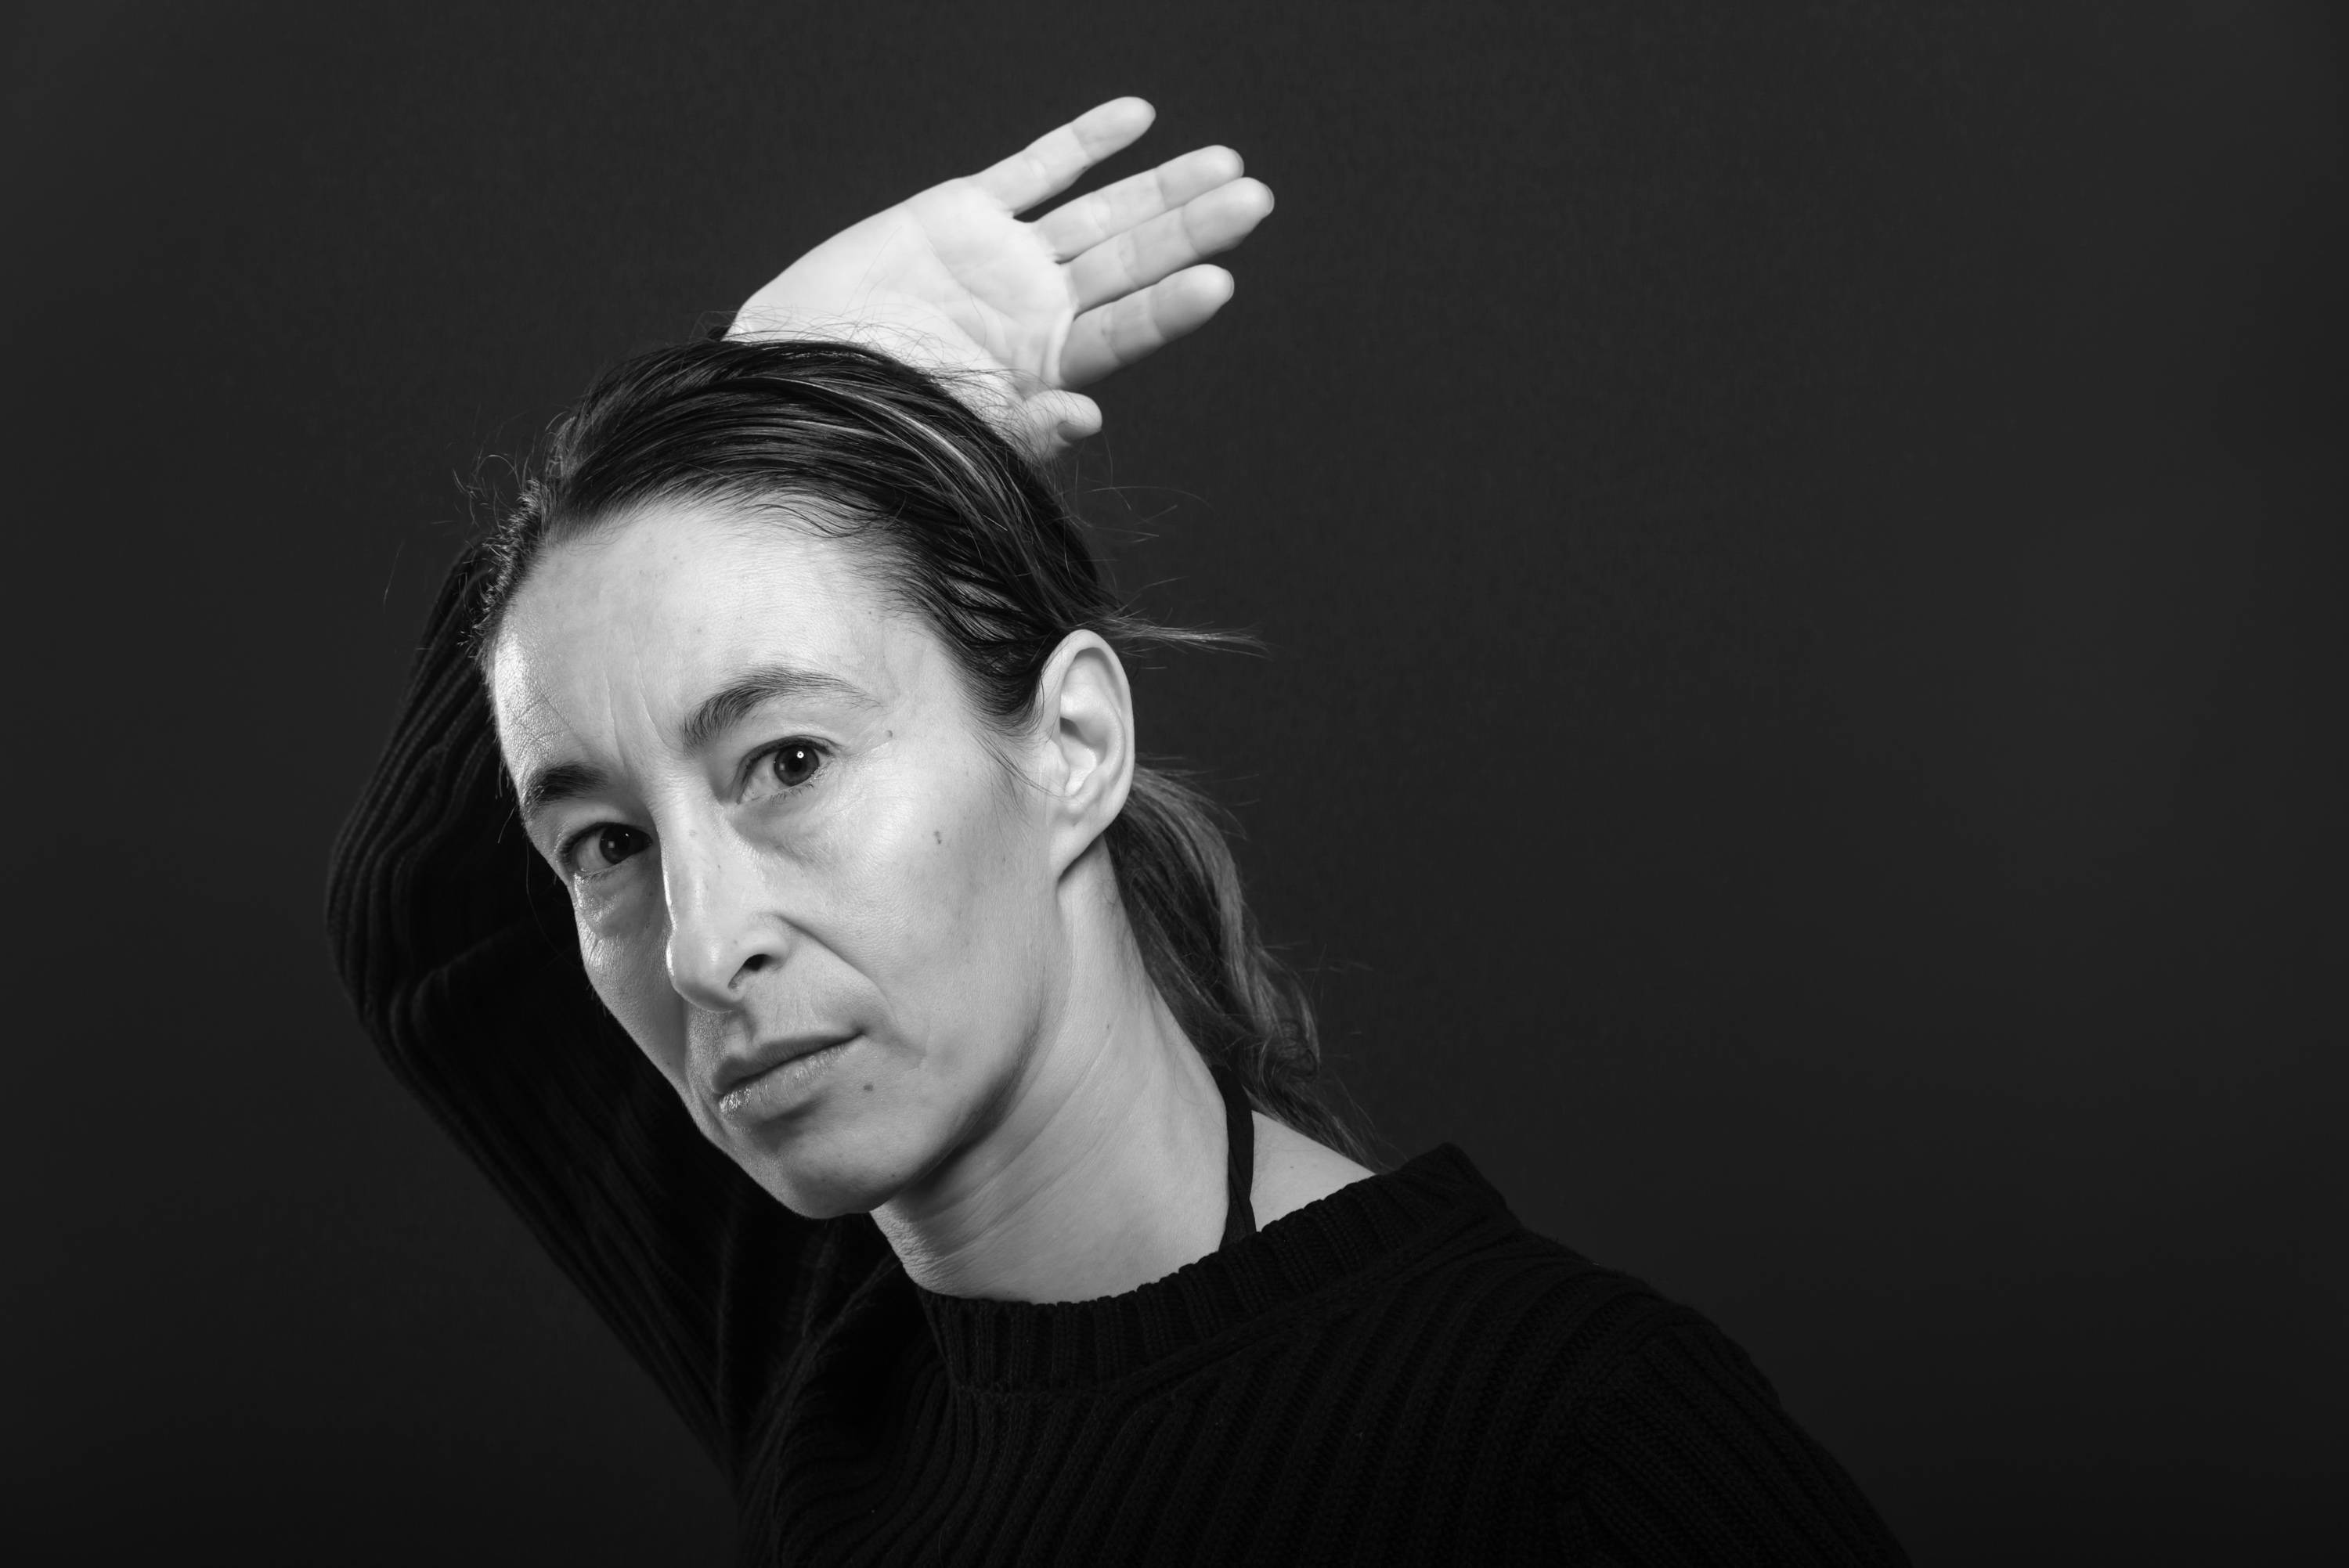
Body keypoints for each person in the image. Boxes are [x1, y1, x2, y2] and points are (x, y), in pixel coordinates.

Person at [329, 99, 1909, 1565]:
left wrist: (775, 402)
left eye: (787, 760)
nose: (701, 944)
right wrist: (772, 376)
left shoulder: (1557, 1438)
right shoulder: (832, 1346)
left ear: (1074, 746)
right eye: (609, 846)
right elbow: (428, 915)